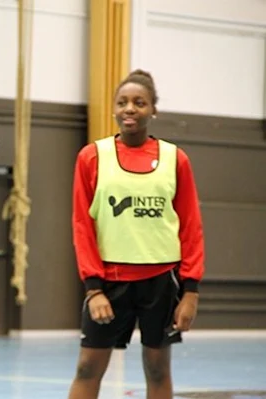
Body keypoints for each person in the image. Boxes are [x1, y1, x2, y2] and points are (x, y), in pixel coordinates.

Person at [67, 69, 205, 399]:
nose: (130, 108)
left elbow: (191, 227)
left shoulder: (176, 160)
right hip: (109, 283)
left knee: (158, 369)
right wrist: (93, 289)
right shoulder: (91, 157)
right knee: (88, 367)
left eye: (139, 102)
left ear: (153, 109)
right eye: (123, 102)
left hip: (161, 282)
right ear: (114, 109)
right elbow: (82, 227)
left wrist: (191, 291)